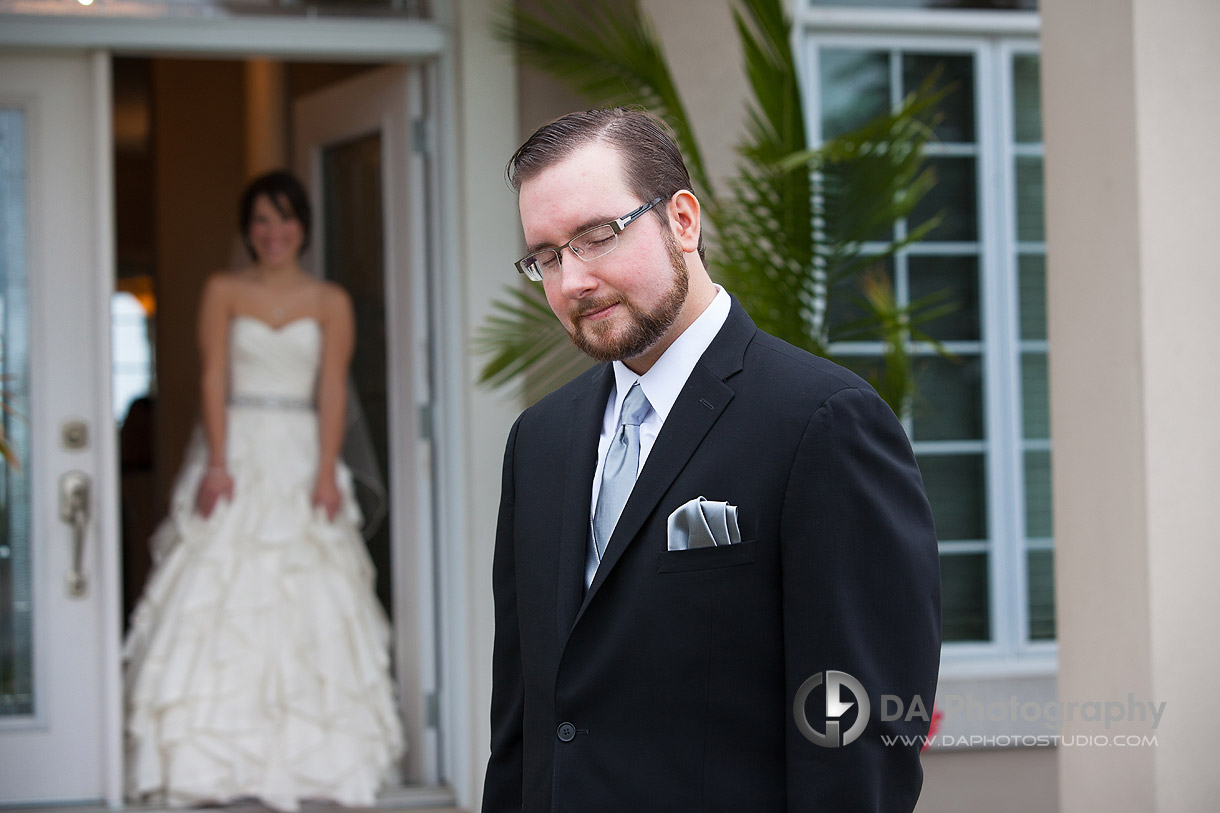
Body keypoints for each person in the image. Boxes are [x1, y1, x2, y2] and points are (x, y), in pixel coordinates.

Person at [483, 108, 942, 812]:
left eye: (597, 236)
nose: (572, 280)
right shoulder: (538, 442)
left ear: (684, 221)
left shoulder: (823, 421)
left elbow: (861, 735)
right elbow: (522, 724)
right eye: (547, 256)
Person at [123, 170, 404, 811]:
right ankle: (208, 763)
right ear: (246, 231)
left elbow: (332, 387)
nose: (272, 233)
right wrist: (218, 463)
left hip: (305, 452)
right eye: (260, 221)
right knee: (219, 593)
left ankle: (314, 765)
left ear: (302, 226)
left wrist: (328, 469)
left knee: (312, 598)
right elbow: (214, 377)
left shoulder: (330, 300)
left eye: (284, 219)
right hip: (239, 449)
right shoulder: (223, 289)